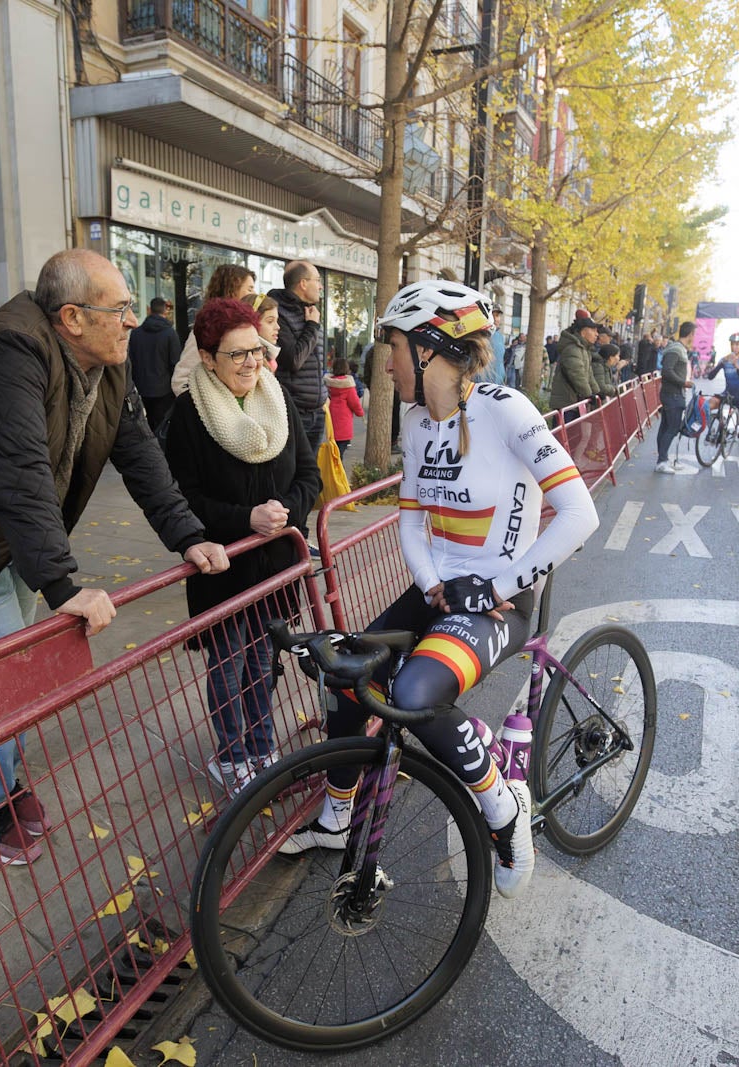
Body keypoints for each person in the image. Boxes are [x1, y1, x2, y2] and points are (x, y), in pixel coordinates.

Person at [0, 249, 231, 864]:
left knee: (12, 681)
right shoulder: (10, 352)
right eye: (122, 309)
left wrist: (188, 533)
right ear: (73, 317)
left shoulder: (109, 361)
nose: (135, 321)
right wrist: (59, 582)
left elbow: (139, 456)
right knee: (11, 682)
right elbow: (22, 471)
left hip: (15, 540)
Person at [277, 279, 601, 901]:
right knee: (349, 671)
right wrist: (430, 584)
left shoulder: (505, 409)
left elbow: (578, 513)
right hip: (441, 593)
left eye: (393, 346)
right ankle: (337, 814)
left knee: (414, 689)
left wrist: (496, 584)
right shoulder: (417, 420)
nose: (387, 361)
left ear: (429, 349)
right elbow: (410, 517)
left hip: (503, 599)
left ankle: (504, 818)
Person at [164, 298, 321, 794]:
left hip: (275, 566)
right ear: (208, 358)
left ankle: (262, 746)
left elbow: (309, 476)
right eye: (238, 354)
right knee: (229, 664)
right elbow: (183, 498)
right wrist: (245, 520)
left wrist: (287, 514)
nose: (253, 362)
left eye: (256, 350)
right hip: (225, 569)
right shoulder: (189, 414)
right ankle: (232, 756)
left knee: (262, 662)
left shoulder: (278, 398)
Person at [170, 264, 256, 396]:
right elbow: (181, 381)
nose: (254, 294)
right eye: (250, 289)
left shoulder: (249, 328)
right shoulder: (207, 330)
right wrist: (210, 407)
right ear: (232, 290)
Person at [271, 260, 327, 450]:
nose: (320, 286)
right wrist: (312, 326)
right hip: (295, 412)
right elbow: (293, 360)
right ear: (303, 283)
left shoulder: (311, 311)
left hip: (317, 411)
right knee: (294, 472)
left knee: (311, 472)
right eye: (317, 280)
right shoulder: (279, 313)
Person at [128, 296, 182, 431]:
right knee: (162, 429)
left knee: (144, 428)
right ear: (164, 311)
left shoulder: (135, 334)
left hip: (141, 389)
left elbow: (131, 361)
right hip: (164, 391)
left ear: (149, 310)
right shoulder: (170, 334)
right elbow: (175, 365)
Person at [711, 331, 739, 469]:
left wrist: (737, 367)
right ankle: (715, 431)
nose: (734, 347)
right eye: (732, 344)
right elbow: (710, 376)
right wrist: (721, 364)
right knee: (707, 405)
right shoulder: (725, 359)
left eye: (737, 344)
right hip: (729, 393)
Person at [654, 321, 693, 473]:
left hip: (673, 393)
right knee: (671, 427)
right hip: (673, 394)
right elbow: (667, 371)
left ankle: (663, 458)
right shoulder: (676, 349)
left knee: (666, 427)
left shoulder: (677, 348)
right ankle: (662, 461)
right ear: (690, 334)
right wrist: (683, 382)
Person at [548, 313, 600, 418]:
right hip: (566, 403)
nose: (597, 334)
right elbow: (577, 374)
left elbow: (589, 375)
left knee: (573, 433)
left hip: (574, 402)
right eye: (594, 330)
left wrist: (598, 392)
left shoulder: (583, 349)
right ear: (583, 332)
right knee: (563, 433)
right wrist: (588, 394)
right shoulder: (573, 349)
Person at [324, 356, 366, 456]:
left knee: (332, 452)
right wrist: (360, 413)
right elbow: (355, 403)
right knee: (339, 453)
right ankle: (337, 471)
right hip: (343, 425)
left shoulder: (328, 383)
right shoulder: (348, 385)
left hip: (330, 422)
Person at [479, 307, 506, 385]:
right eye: (492, 315)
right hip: (482, 381)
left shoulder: (500, 336)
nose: (495, 319)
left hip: (498, 381)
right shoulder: (481, 335)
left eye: (497, 316)